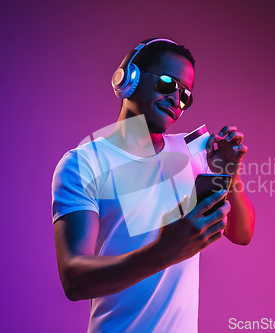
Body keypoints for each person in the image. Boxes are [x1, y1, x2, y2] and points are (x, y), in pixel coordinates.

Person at [51, 38, 255, 333]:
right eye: (167, 84)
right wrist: (165, 251)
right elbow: (74, 279)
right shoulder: (83, 164)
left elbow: (242, 233)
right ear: (129, 78)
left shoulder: (193, 151)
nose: (177, 99)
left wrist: (230, 174)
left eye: (186, 95)